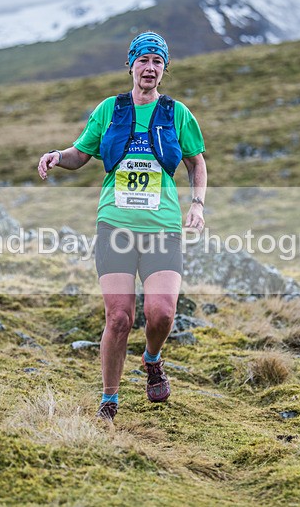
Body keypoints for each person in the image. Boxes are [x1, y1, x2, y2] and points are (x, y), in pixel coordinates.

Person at [38, 31, 207, 422]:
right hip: (114, 224)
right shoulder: (109, 110)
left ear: (164, 70)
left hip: (162, 226)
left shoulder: (176, 113)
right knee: (119, 318)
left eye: (157, 62)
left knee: (162, 313)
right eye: (143, 60)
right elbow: (80, 154)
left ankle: (152, 359)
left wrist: (197, 204)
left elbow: (196, 162)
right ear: (130, 65)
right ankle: (109, 400)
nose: (150, 68)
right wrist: (55, 156)